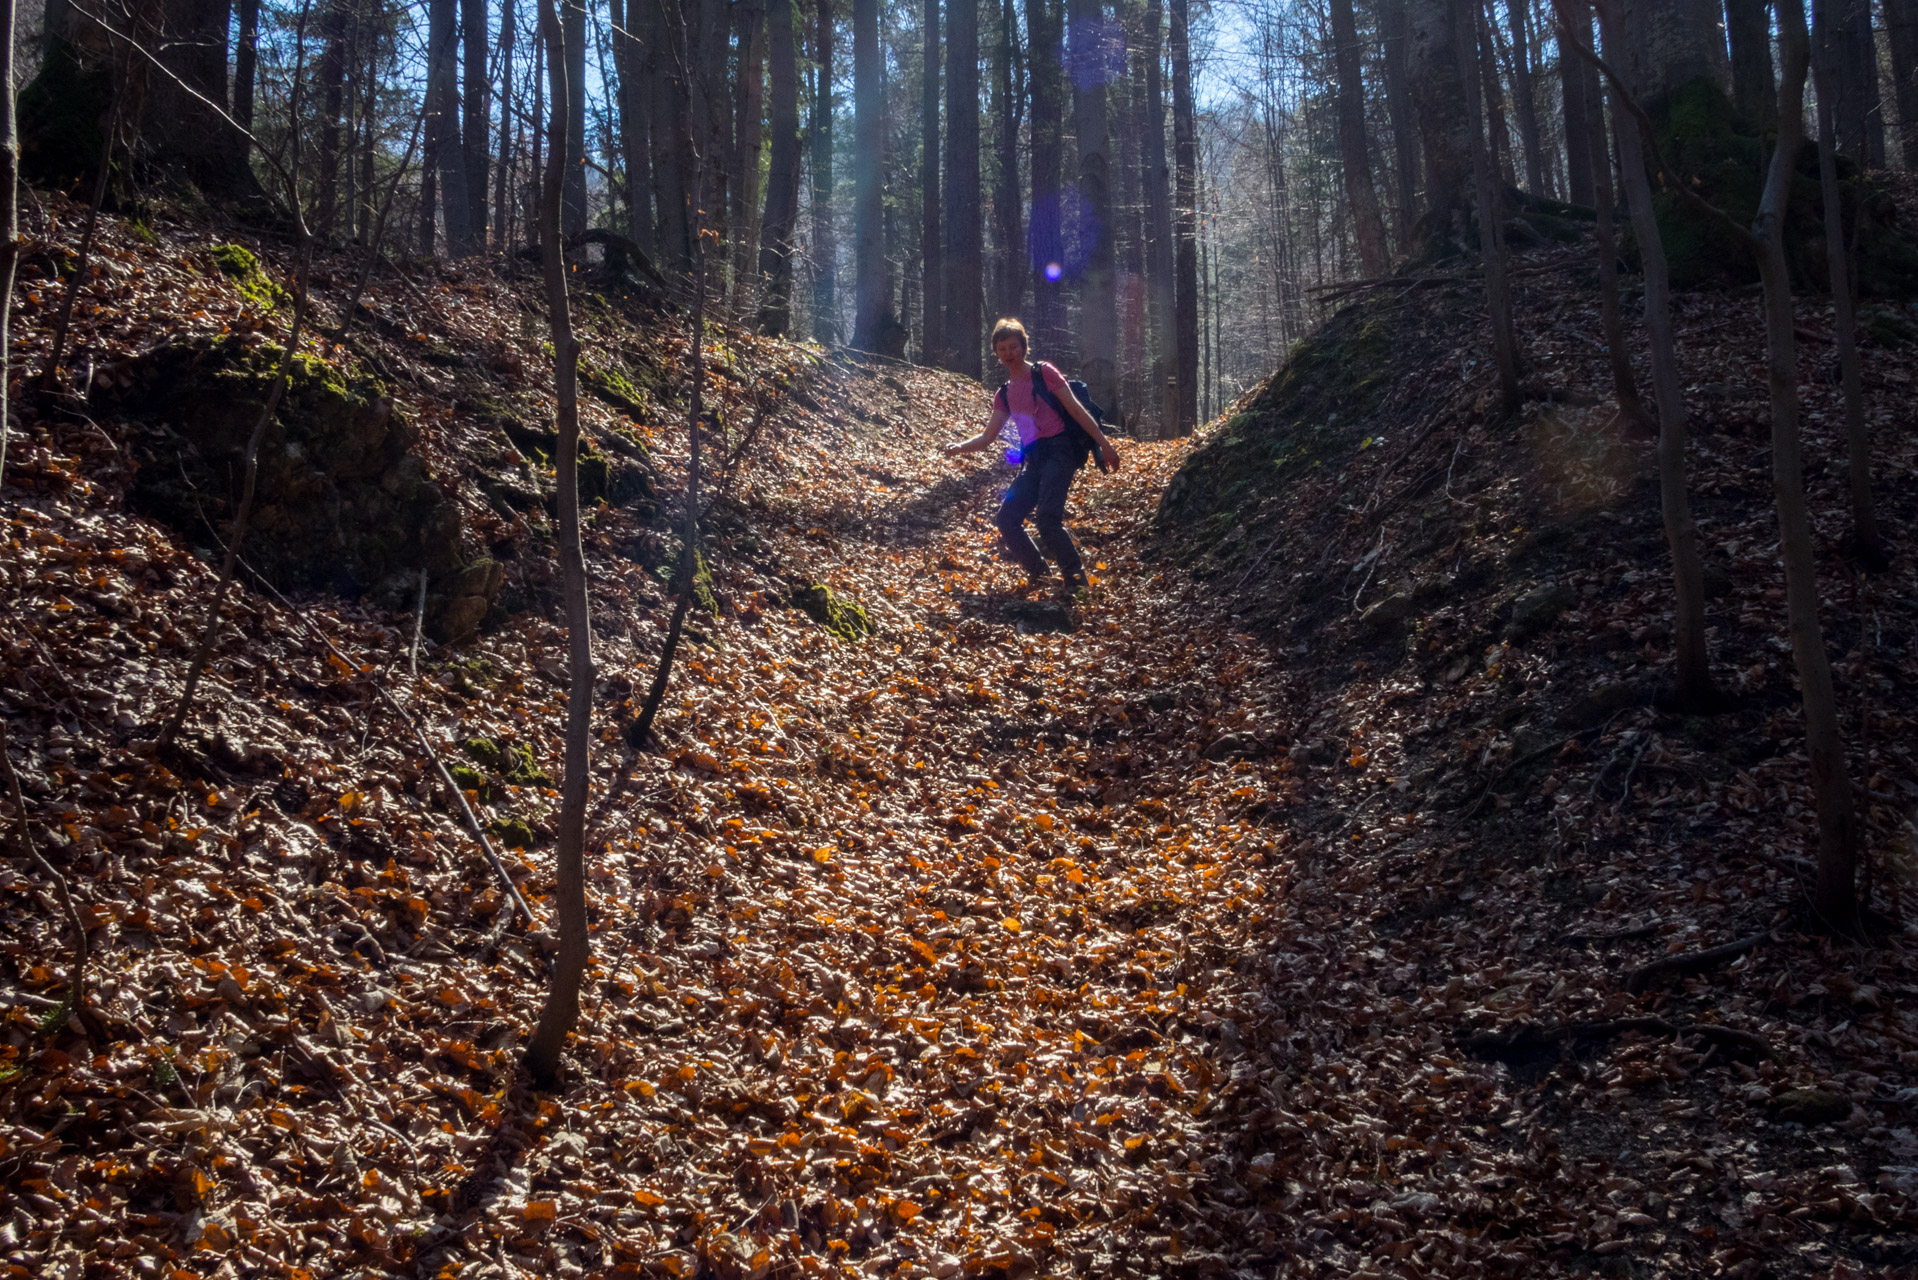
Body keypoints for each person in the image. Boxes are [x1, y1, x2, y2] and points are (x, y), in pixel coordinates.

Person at [943, 319, 1121, 596]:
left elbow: (1075, 409)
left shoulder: (1044, 373)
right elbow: (988, 437)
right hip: (1034, 459)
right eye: (1002, 349)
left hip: (1060, 451)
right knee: (1007, 519)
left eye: (1013, 346)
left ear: (1024, 347)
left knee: (1048, 519)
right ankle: (1039, 574)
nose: (1009, 353)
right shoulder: (1004, 394)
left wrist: (1105, 446)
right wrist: (957, 447)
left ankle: (1077, 582)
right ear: (996, 353)